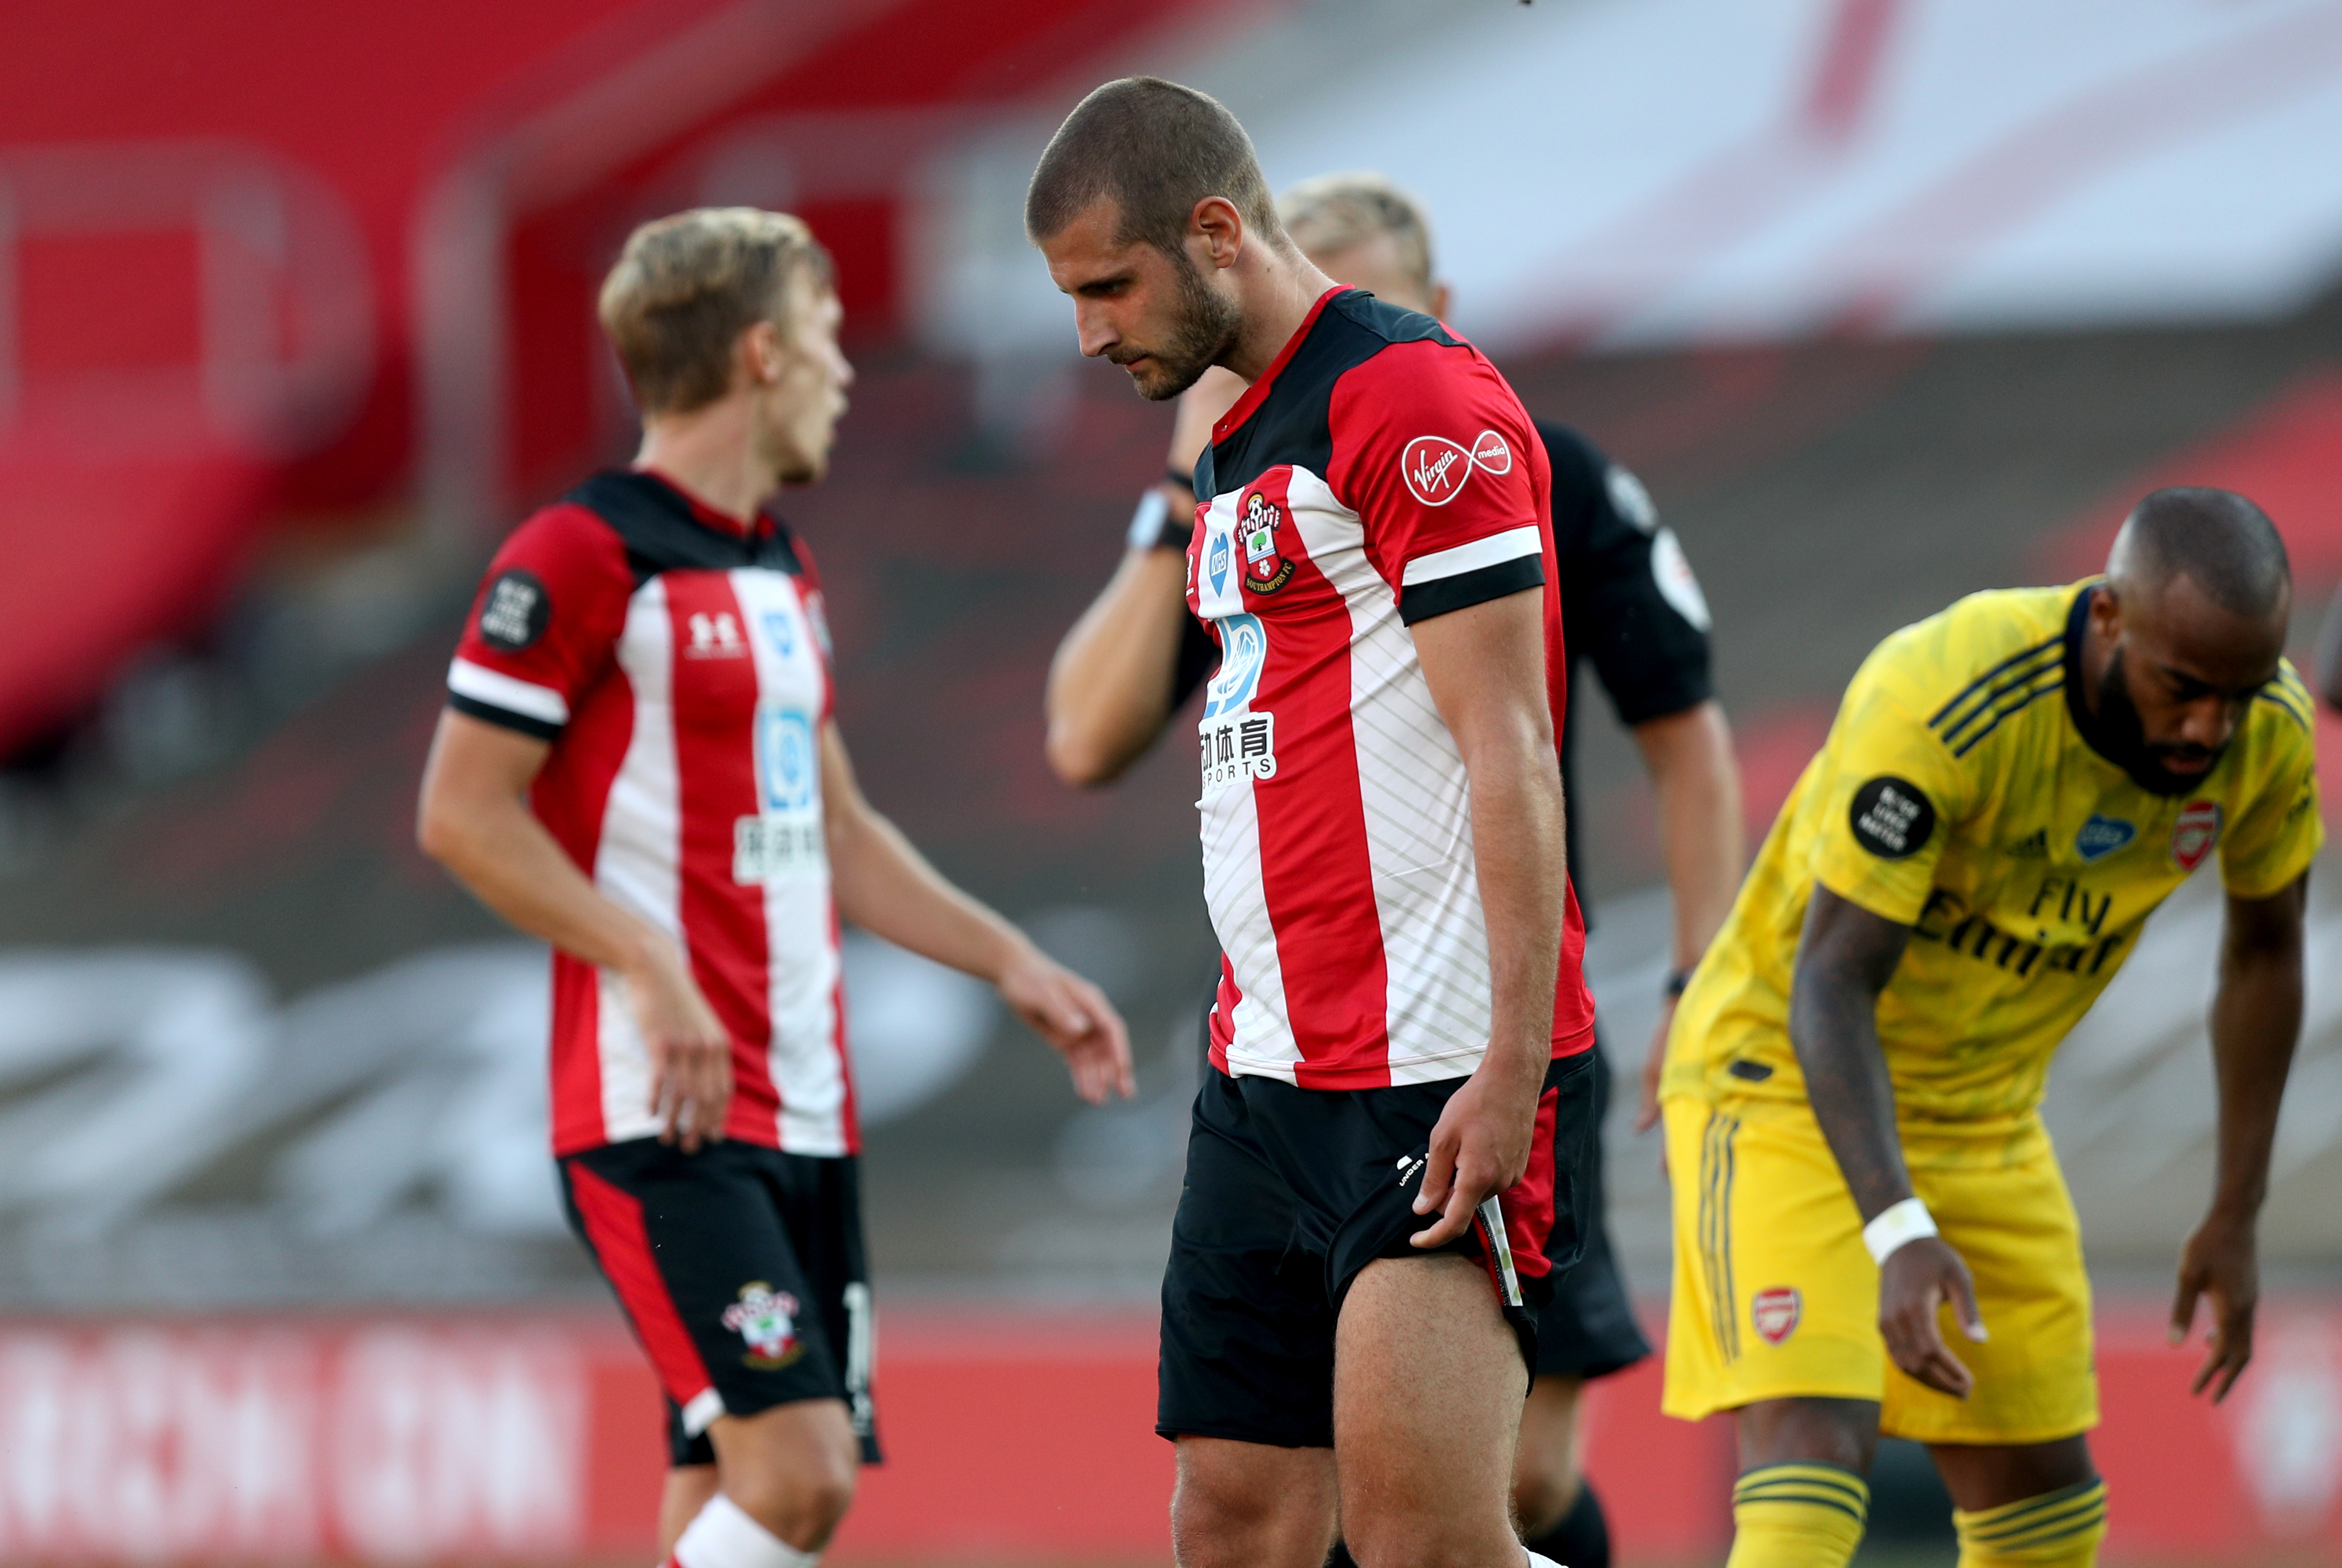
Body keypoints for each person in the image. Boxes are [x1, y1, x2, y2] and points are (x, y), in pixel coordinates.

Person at [1045, 170, 1744, 1568]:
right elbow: (1084, 739)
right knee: (1244, 1521)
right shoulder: (1233, 459)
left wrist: (1691, 987)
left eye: (1106, 291)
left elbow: (1651, 740)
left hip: (1453, 1034)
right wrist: (1176, 500)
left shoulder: (1458, 426)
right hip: (1271, 1053)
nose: (1087, 335)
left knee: (1473, 1507)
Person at [415, 208, 1133, 1568]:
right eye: (823, 339)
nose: (845, 373)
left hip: (802, 1103)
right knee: (800, 1479)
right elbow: (460, 814)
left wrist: (1008, 962)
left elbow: (841, 828)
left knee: (728, 1491)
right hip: (664, 1109)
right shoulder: (578, 554)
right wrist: (646, 958)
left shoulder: (776, 566)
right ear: (758, 353)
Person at [1658, 486, 2318, 1568]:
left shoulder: (2266, 737)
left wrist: (2235, 1210)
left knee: (2046, 1511)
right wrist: (1896, 1228)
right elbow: (1828, 982)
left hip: (1982, 1117)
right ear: (2108, 618)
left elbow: (2267, 952)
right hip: (1783, 1079)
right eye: (2183, 689)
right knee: (1815, 1449)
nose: (2210, 727)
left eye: (2239, 696)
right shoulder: (1944, 694)